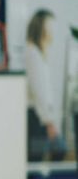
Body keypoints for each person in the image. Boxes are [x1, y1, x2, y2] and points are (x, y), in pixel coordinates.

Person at [25, 9, 65, 162]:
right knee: (38, 157)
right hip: (37, 118)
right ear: (41, 29)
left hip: (39, 116)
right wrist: (49, 121)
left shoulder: (35, 53)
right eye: (50, 27)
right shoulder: (34, 54)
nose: (53, 31)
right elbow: (40, 91)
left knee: (38, 156)